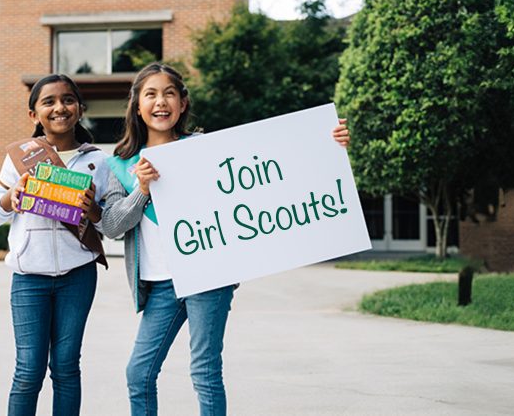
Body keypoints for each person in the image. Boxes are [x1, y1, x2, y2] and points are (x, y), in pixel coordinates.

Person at [95, 63, 348, 415]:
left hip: (207, 277)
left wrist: (327, 143)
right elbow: (111, 226)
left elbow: (273, 171)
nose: (160, 102)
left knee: (204, 371)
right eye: (150, 94)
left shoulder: (205, 148)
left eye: (169, 93)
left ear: (183, 103)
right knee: (138, 373)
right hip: (160, 285)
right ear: (137, 105)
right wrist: (141, 190)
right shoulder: (117, 165)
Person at [0, 74, 110, 416]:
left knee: (67, 368)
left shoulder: (97, 161)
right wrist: (12, 197)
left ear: (80, 109)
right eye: (49, 102)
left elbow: (110, 223)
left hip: (78, 276)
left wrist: (94, 211)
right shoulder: (19, 158)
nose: (60, 107)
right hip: (29, 278)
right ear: (34, 115)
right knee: (28, 371)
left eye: (68, 100)